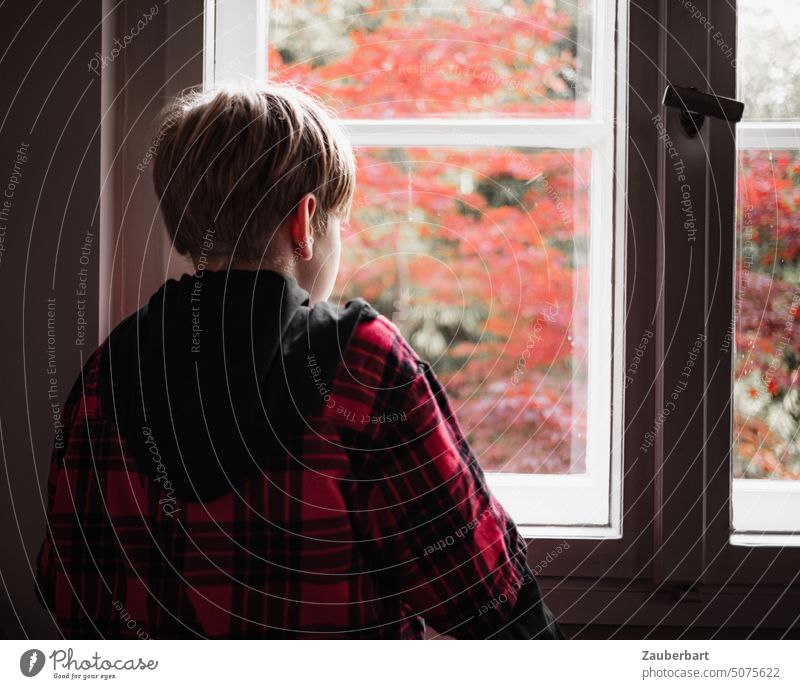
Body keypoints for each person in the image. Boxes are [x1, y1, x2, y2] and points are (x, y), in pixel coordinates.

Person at [34, 84, 564, 640]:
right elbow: (483, 594)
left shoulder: (105, 373)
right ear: (305, 222)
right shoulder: (364, 365)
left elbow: (71, 593)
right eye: (339, 221)